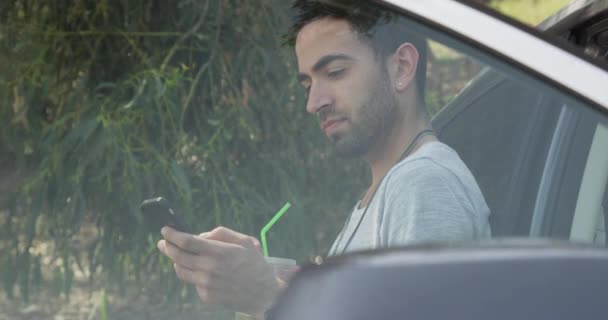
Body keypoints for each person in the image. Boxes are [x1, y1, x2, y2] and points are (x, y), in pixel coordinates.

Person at [157, 0, 491, 316]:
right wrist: (291, 293)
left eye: (334, 72)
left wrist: (269, 299)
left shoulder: (424, 184)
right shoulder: (383, 193)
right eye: (307, 84)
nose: (313, 102)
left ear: (401, 68)